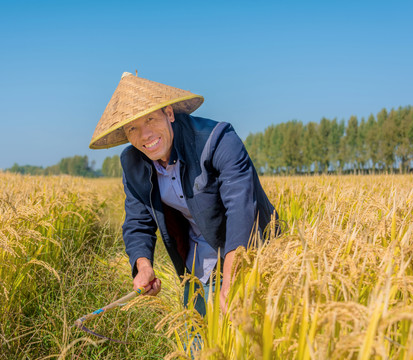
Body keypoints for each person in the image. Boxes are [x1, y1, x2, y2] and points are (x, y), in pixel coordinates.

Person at [89, 72, 278, 315]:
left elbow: (241, 209)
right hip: (198, 267)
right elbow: (138, 221)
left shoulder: (218, 140)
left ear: (169, 113)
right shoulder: (133, 163)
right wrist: (143, 265)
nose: (144, 135)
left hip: (249, 256)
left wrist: (231, 280)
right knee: (197, 344)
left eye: (150, 119)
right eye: (133, 127)